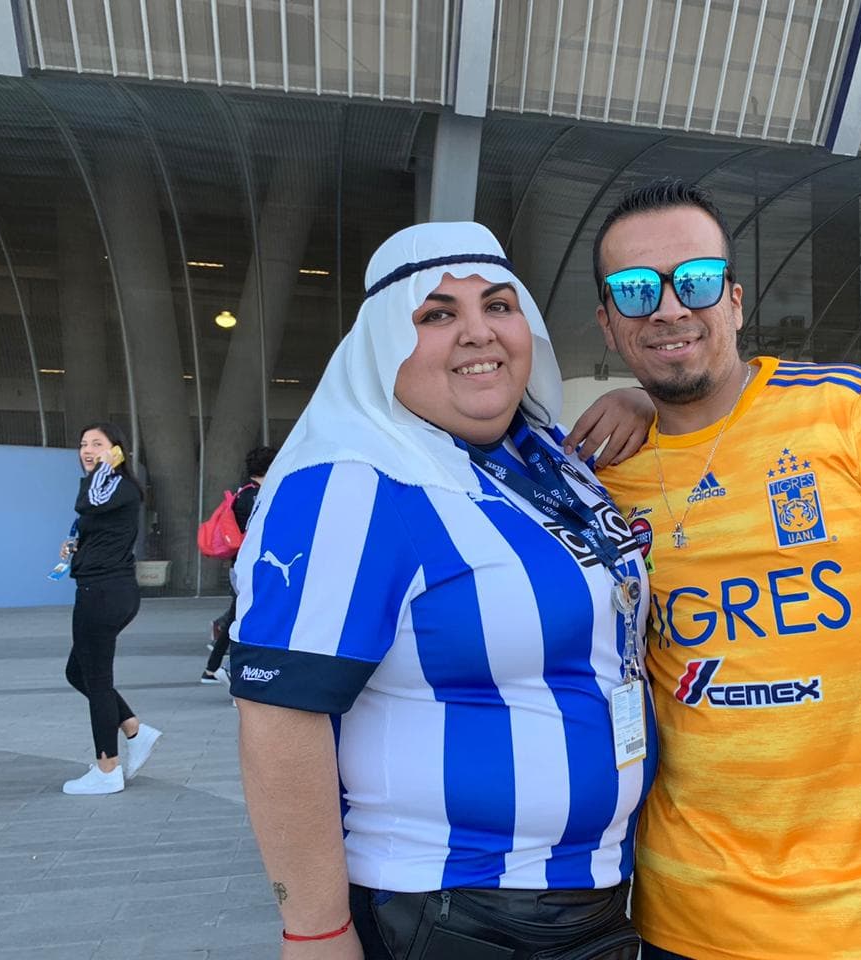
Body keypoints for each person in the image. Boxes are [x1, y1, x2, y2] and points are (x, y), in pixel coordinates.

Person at [578, 180, 861, 960]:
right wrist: (639, 406)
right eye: (637, 291)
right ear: (610, 325)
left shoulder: (851, 410)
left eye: (698, 281)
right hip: (682, 918)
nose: (671, 308)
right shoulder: (603, 475)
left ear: (736, 302)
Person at [229, 222, 656, 960]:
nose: (476, 332)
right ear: (383, 343)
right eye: (437, 315)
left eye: (498, 306)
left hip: (595, 896)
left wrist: (648, 402)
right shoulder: (353, 482)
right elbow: (277, 718)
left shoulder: (542, 461)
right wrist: (317, 932)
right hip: (457, 913)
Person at [60, 422, 162, 795]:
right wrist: (77, 548)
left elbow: (85, 502)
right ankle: (134, 728)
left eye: (97, 444)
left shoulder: (113, 485)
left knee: (98, 681)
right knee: (77, 672)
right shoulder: (109, 488)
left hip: (103, 593)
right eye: (83, 443)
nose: (87, 450)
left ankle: (107, 769)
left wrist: (104, 466)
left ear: (117, 450)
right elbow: (95, 521)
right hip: (102, 588)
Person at [200, 445, 277, 684]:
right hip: (251, 567)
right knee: (249, 619)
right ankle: (232, 669)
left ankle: (214, 669)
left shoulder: (244, 493)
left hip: (239, 566)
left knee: (238, 616)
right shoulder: (257, 496)